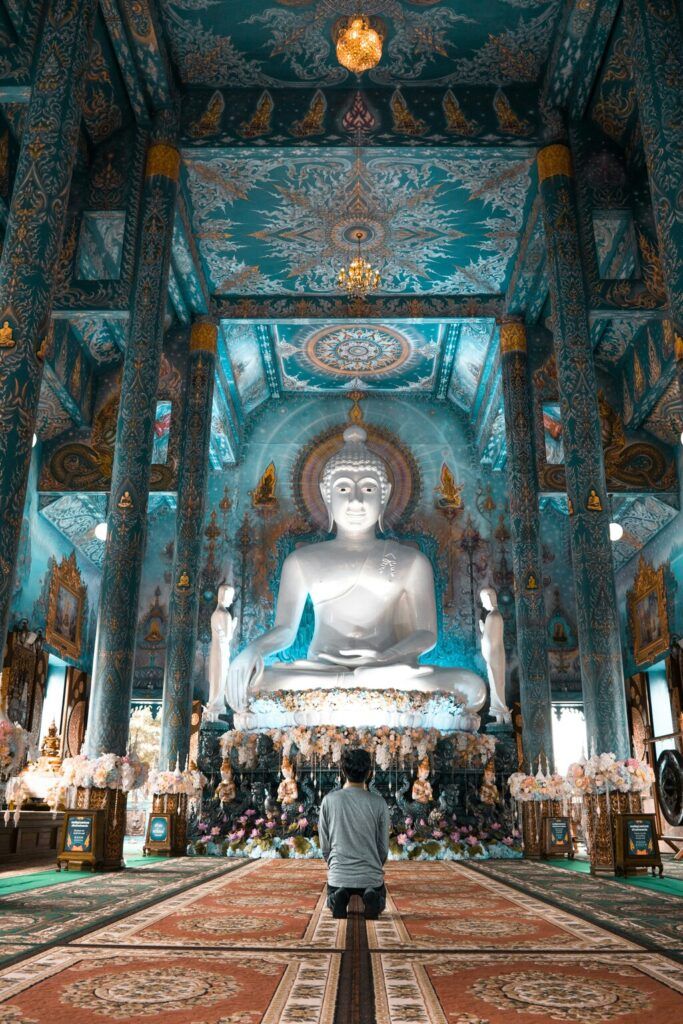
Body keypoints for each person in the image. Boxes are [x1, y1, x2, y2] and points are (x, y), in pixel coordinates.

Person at [318, 747, 390, 920]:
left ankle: (338, 896)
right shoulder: (379, 803)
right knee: (378, 895)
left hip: (338, 874)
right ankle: (371, 895)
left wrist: (336, 864)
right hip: (371, 874)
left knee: (335, 889)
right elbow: (383, 848)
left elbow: (325, 846)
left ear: (343, 771)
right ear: (369, 773)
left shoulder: (328, 800)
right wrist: (373, 866)